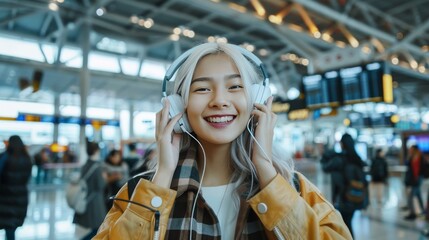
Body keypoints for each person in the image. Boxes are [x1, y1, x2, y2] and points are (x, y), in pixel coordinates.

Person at [94, 43, 352, 239]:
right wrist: (162, 176)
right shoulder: (138, 193)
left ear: (257, 100)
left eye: (235, 87)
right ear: (177, 107)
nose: (219, 100)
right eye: (202, 88)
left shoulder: (295, 189)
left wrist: (264, 165)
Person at [320, 133, 367, 238]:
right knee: (348, 222)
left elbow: (325, 167)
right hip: (356, 196)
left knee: (346, 225)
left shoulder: (339, 159)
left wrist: (327, 154)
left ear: (342, 144)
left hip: (343, 197)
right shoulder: (357, 158)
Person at [0, 135, 33, 240]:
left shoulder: (5, 157)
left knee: (6, 223)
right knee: (11, 227)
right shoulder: (27, 158)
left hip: (4, 197)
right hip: (20, 197)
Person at [73, 141, 107, 240]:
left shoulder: (85, 164)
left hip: (86, 199)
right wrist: (104, 178)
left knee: (93, 228)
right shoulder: (97, 167)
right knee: (97, 228)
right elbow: (100, 185)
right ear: (96, 151)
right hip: (96, 202)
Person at [403, 145, 425, 220]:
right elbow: (407, 165)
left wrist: (416, 179)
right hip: (414, 178)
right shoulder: (412, 157)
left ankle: (412, 213)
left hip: (417, 178)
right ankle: (424, 211)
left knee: (410, 197)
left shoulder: (419, 157)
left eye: (411, 149)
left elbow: (419, 169)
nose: (410, 150)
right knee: (418, 195)